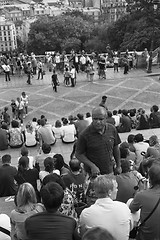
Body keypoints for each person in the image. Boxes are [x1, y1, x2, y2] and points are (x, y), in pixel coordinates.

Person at [80, 175, 133, 240]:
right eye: (116, 188)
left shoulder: (86, 213)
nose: (117, 190)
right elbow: (130, 227)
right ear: (109, 192)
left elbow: (83, 235)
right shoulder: (124, 207)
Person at [75, 107, 121, 176]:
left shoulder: (112, 129)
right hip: (93, 174)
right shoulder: (84, 135)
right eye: (95, 119)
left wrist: (118, 165)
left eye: (101, 119)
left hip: (109, 171)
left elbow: (115, 147)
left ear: (106, 118)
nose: (98, 122)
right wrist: (92, 166)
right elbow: (78, 154)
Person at [129, 162, 160, 240]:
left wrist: (140, 192)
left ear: (150, 178)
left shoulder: (142, 195)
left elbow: (132, 209)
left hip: (146, 236)